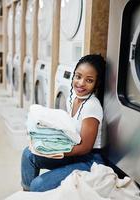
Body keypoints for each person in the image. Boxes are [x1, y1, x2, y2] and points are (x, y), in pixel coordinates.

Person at [21, 54, 106, 192]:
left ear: (97, 83)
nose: (81, 83)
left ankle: (33, 192)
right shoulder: (72, 98)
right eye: (78, 76)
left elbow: (85, 147)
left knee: (38, 185)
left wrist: (55, 151)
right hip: (74, 152)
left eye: (89, 80)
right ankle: (27, 194)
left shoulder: (92, 106)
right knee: (28, 154)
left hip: (89, 161)